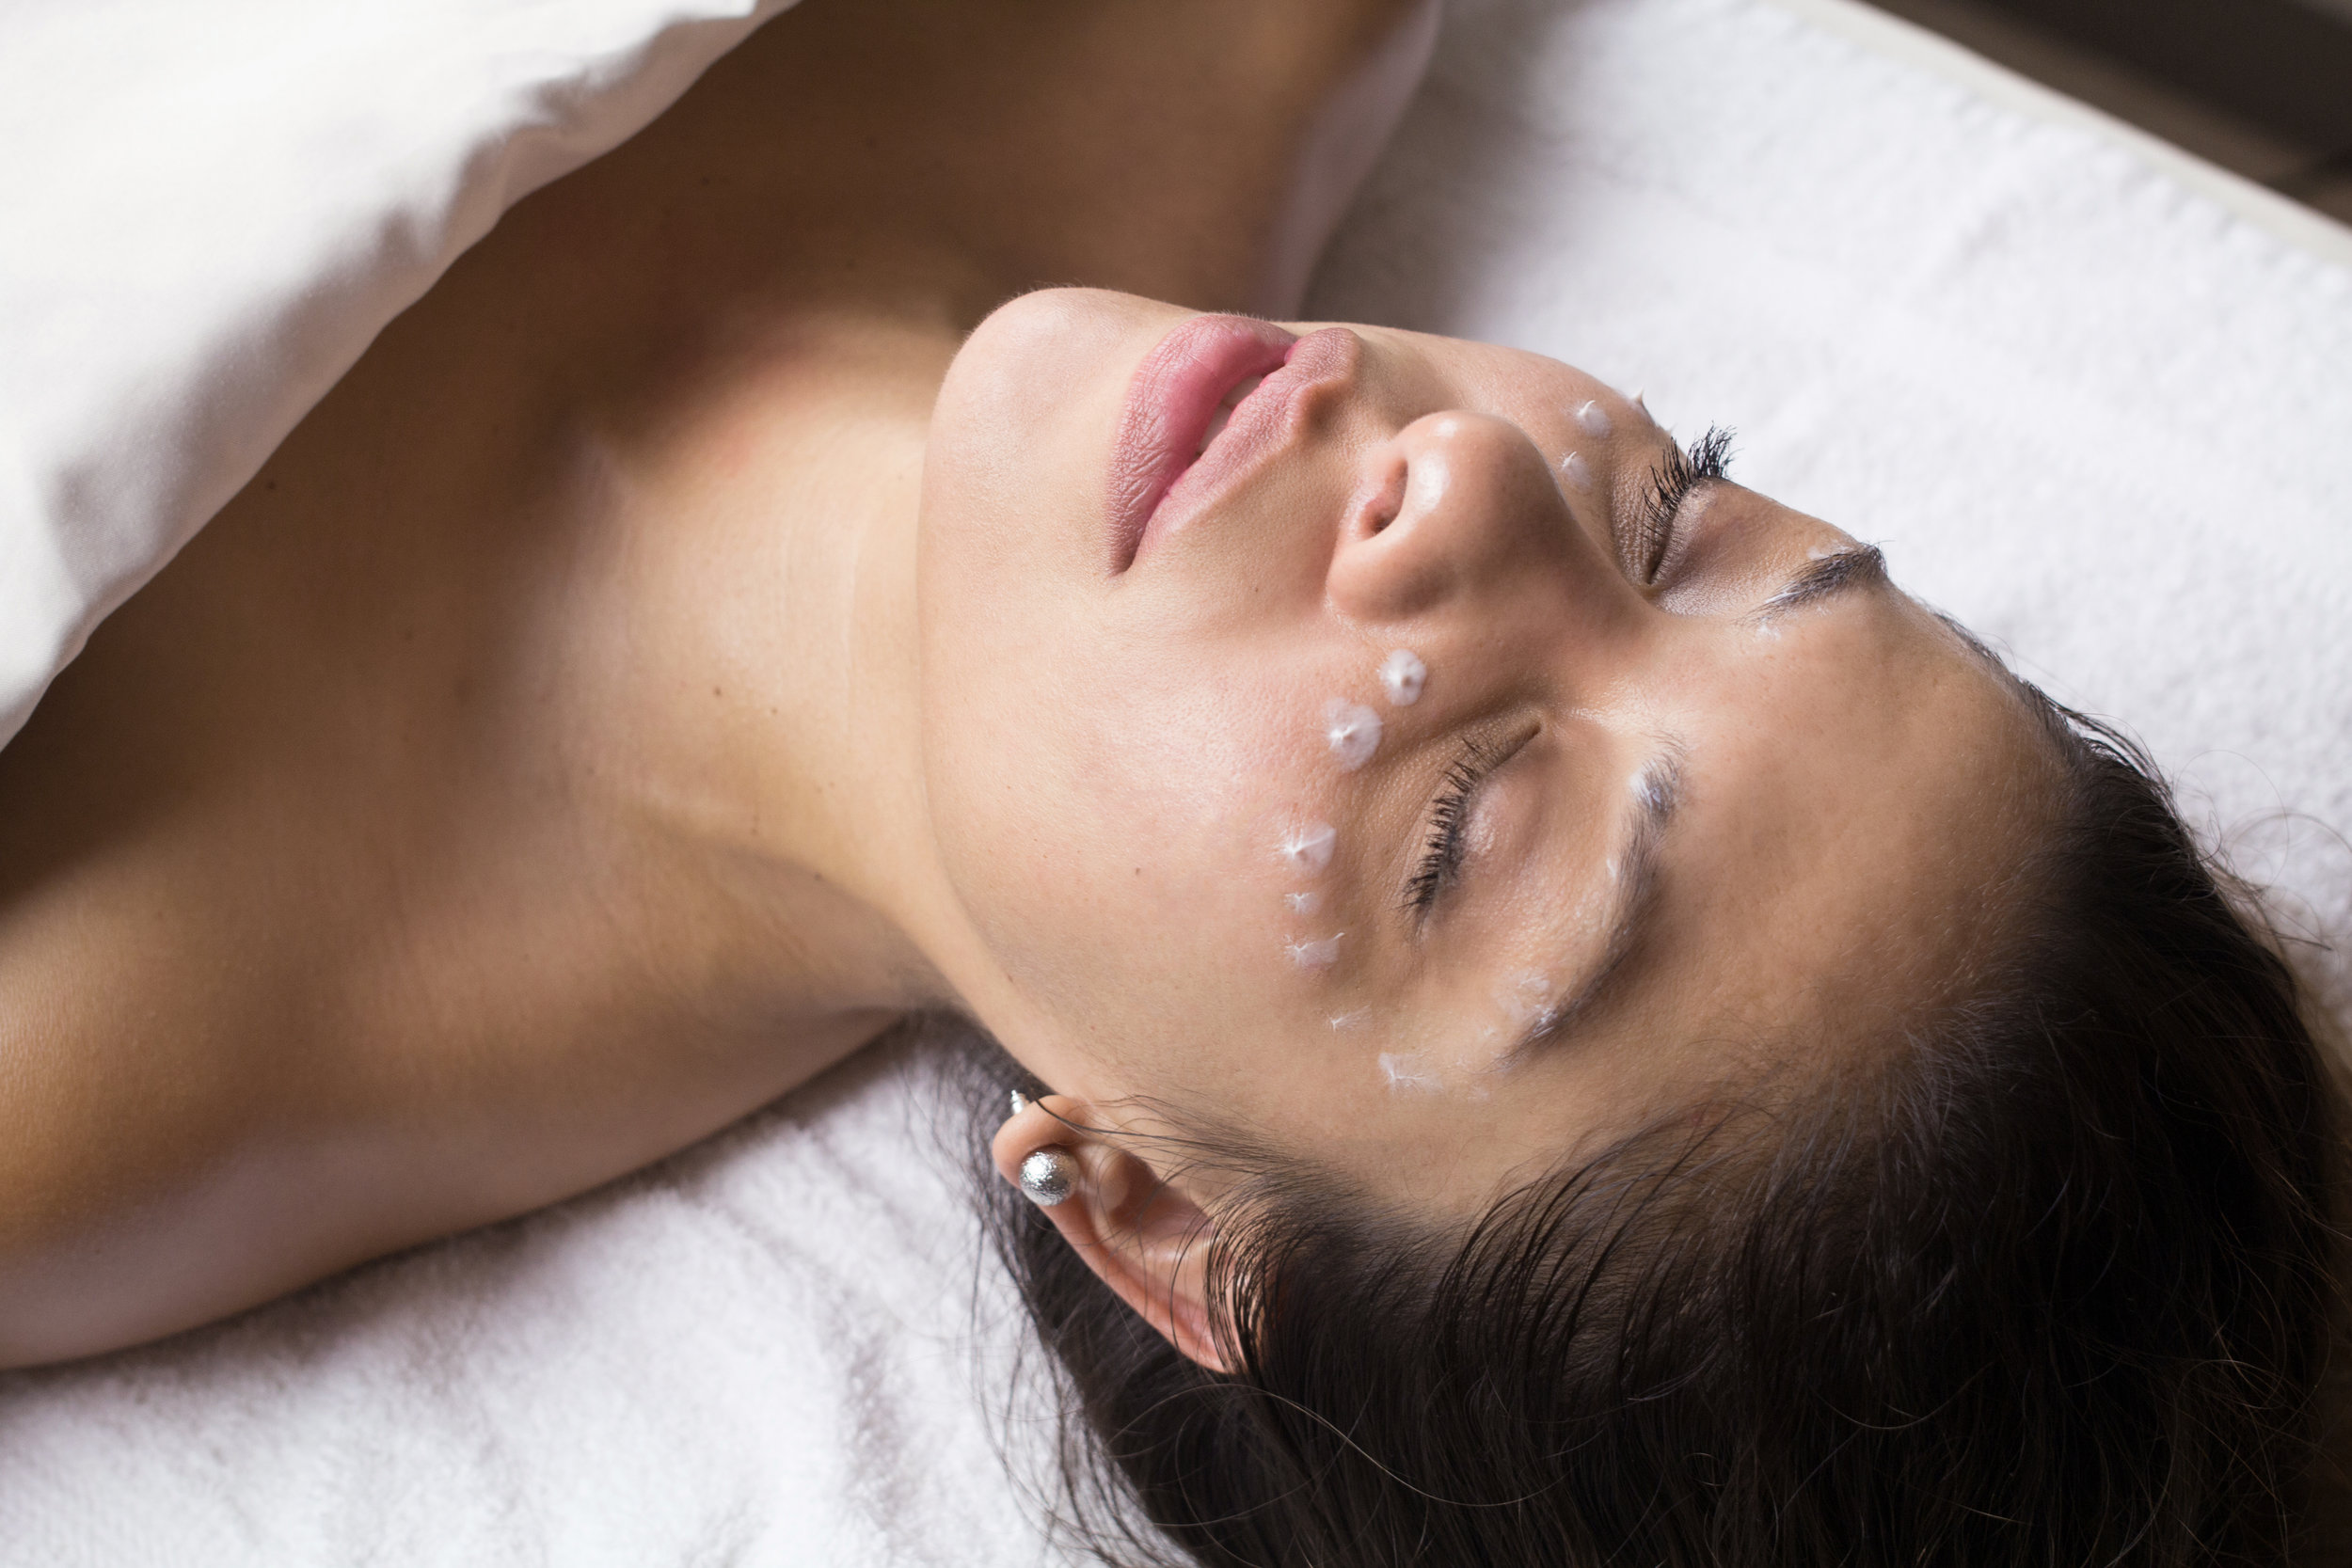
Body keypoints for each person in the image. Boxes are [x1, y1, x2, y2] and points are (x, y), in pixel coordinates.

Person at [0, 0, 2340, 1560]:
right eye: (1681, 518)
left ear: (1142, 1217)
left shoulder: (69, 1026)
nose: (1468, 493)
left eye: (1467, 835)